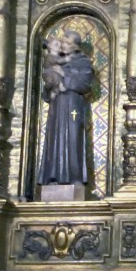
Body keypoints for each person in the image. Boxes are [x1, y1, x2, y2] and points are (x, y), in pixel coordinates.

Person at [38, 30, 94, 186]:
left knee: (73, 134)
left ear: (75, 47)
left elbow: (85, 83)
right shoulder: (55, 60)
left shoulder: (83, 62)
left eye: (67, 43)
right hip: (57, 104)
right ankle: (53, 176)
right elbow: (47, 84)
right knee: (55, 135)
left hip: (73, 105)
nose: (63, 46)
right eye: (63, 43)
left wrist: (64, 73)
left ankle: (74, 177)